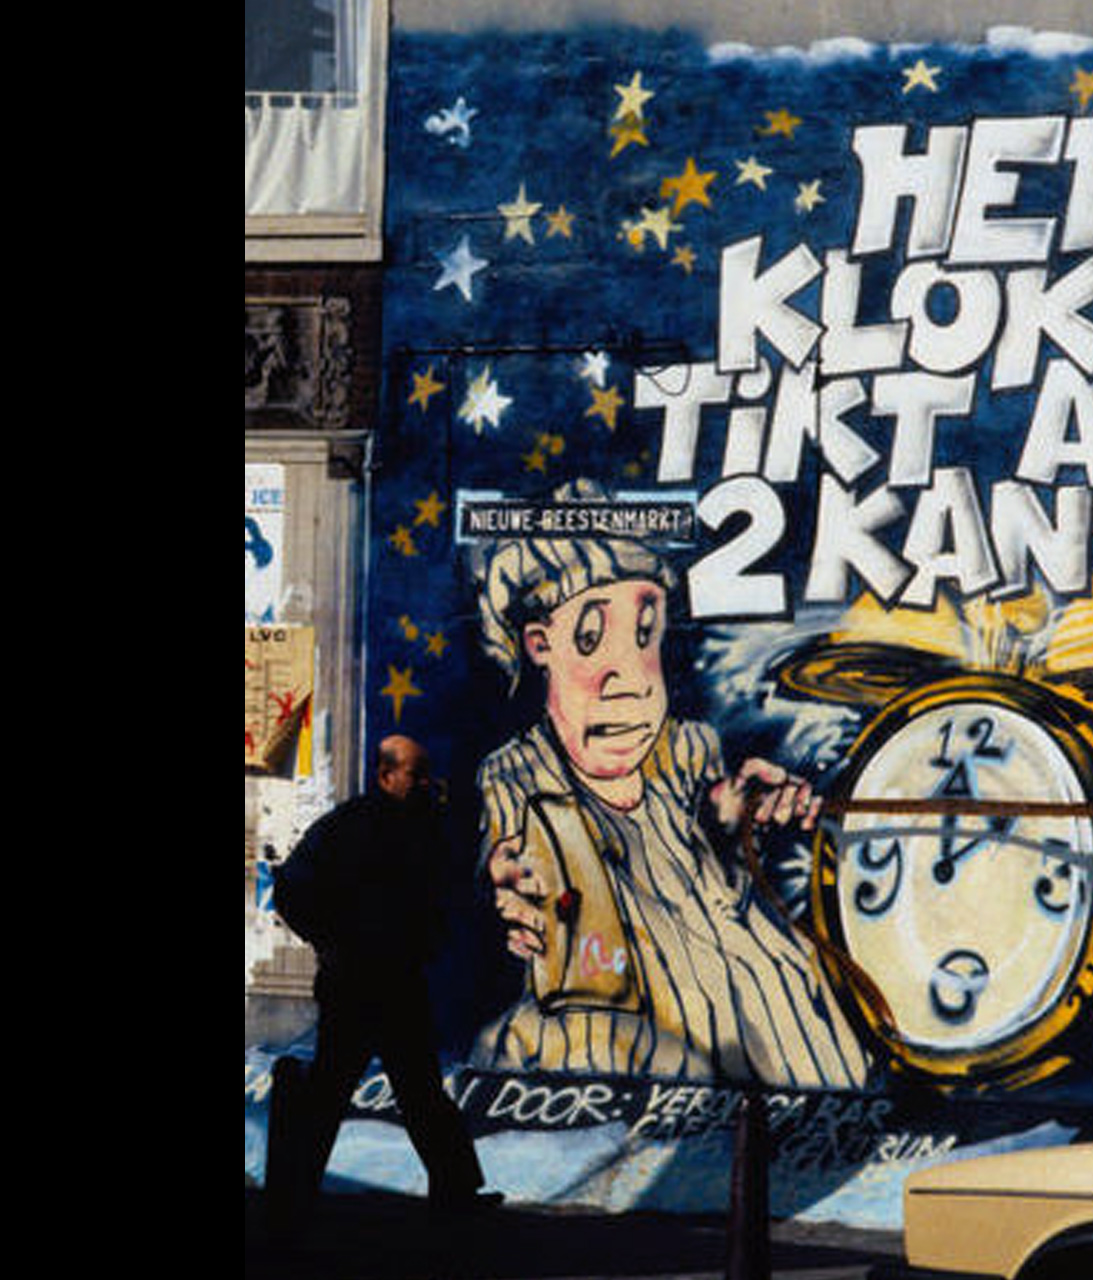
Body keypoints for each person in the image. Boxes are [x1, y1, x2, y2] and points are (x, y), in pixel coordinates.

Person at [468, 481, 871, 1087]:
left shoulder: (687, 749)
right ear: (540, 645)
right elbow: (507, 860)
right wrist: (510, 883)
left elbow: (714, 823)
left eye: (644, 634)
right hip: (629, 1050)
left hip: (773, 1033)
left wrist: (739, 812)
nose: (628, 681)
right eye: (589, 638)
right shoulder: (519, 773)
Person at [273, 735, 500, 1221]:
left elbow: (436, 894)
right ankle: (292, 1199)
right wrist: (332, 942)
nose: (425, 783)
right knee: (333, 1091)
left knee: (419, 1090)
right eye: (415, 774)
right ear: (385, 776)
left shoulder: (420, 827)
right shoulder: (348, 825)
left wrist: (424, 939)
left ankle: (457, 1194)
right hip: (355, 983)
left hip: (397, 981)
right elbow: (290, 886)